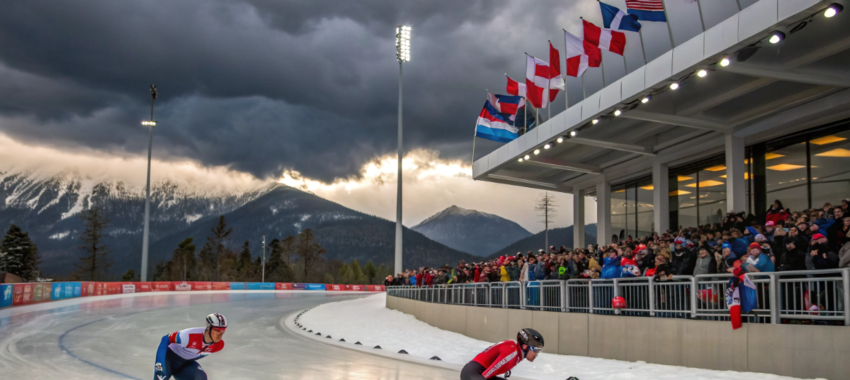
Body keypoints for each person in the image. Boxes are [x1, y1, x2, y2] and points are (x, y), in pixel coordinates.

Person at [154, 313, 227, 380]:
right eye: (217, 330)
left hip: (185, 364)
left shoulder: (219, 346)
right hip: (168, 359)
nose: (220, 334)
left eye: (223, 330)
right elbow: (165, 339)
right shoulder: (189, 335)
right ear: (208, 327)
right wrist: (160, 364)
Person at [461, 328, 543, 380]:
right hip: (473, 373)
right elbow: (486, 374)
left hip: (475, 371)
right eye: (536, 350)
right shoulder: (512, 354)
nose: (537, 354)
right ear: (525, 346)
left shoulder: (514, 347)